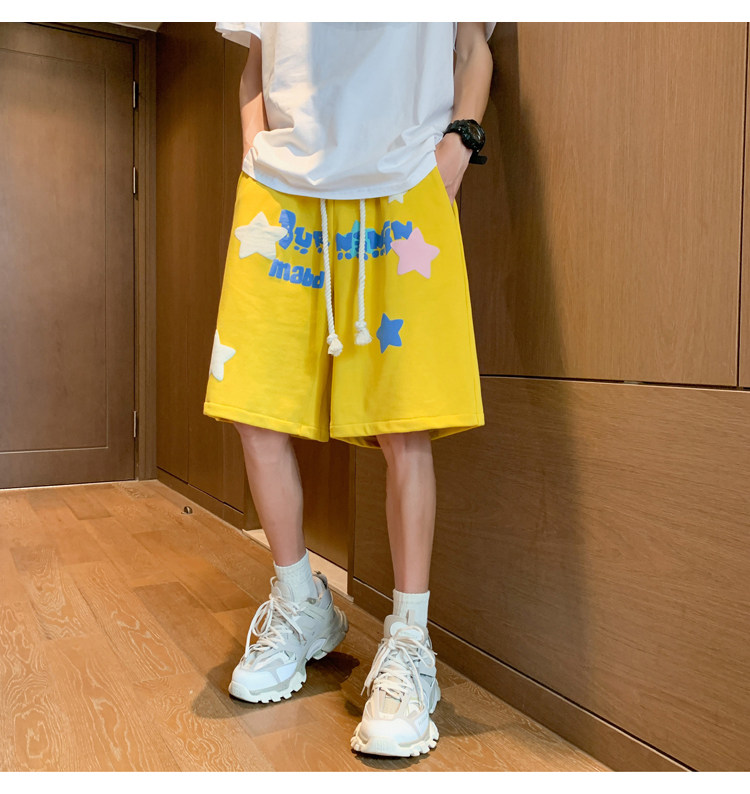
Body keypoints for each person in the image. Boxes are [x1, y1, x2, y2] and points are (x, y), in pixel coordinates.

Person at [204, 21, 494, 758]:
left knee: (405, 418)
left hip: (402, 180)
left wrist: (459, 144)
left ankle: (409, 640)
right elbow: (255, 66)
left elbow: (472, 46)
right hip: (281, 190)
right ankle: (301, 601)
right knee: (254, 403)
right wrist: (252, 149)